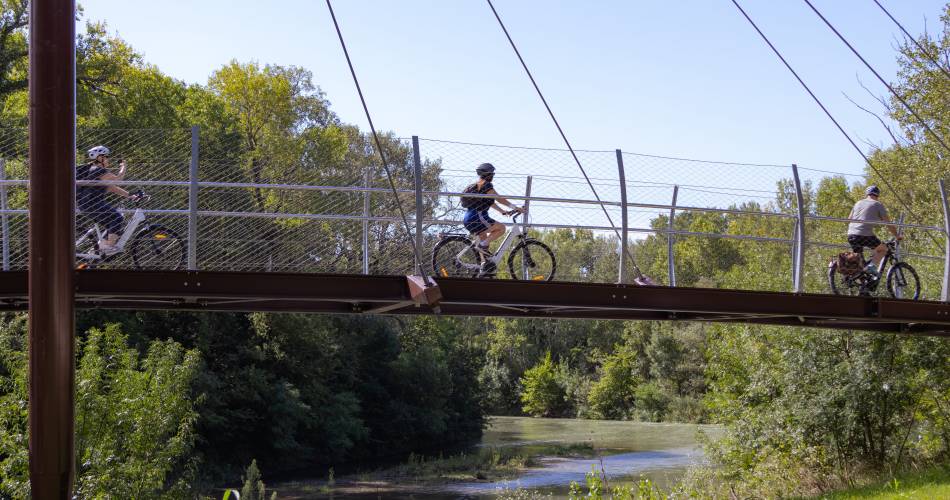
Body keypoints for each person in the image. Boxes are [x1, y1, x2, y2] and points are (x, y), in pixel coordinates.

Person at [461, 163, 523, 272]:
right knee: (501, 228)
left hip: (469, 217)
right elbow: (499, 199)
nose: (493, 175)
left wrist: (502, 212)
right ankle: (482, 247)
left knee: (485, 241)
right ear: (488, 174)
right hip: (478, 216)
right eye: (492, 173)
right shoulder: (486, 185)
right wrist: (515, 207)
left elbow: (491, 202)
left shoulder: (477, 185)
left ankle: (484, 267)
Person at [76, 145, 137, 255]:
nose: (108, 159)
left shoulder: (93, 170)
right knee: (117, 217)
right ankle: (108, 247)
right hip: (92, 204)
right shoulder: (98, 170)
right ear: (100, 158)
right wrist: (123, 166)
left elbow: (111, 187)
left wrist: (129, 195)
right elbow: (118, 179)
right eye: (106, 157)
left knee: (111, 223)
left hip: (89, 204)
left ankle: (100, 248)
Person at [846, 185, 901, 276]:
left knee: (861, 263)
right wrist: (897, 236)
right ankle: (872, 266)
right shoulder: (877, 204)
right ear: (878, 195)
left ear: (867, 194)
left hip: (851, 234)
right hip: (865, 235)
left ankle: (862, 283)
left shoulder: (858, 203)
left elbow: (849, 219)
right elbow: (888, 224)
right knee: (884, 249)